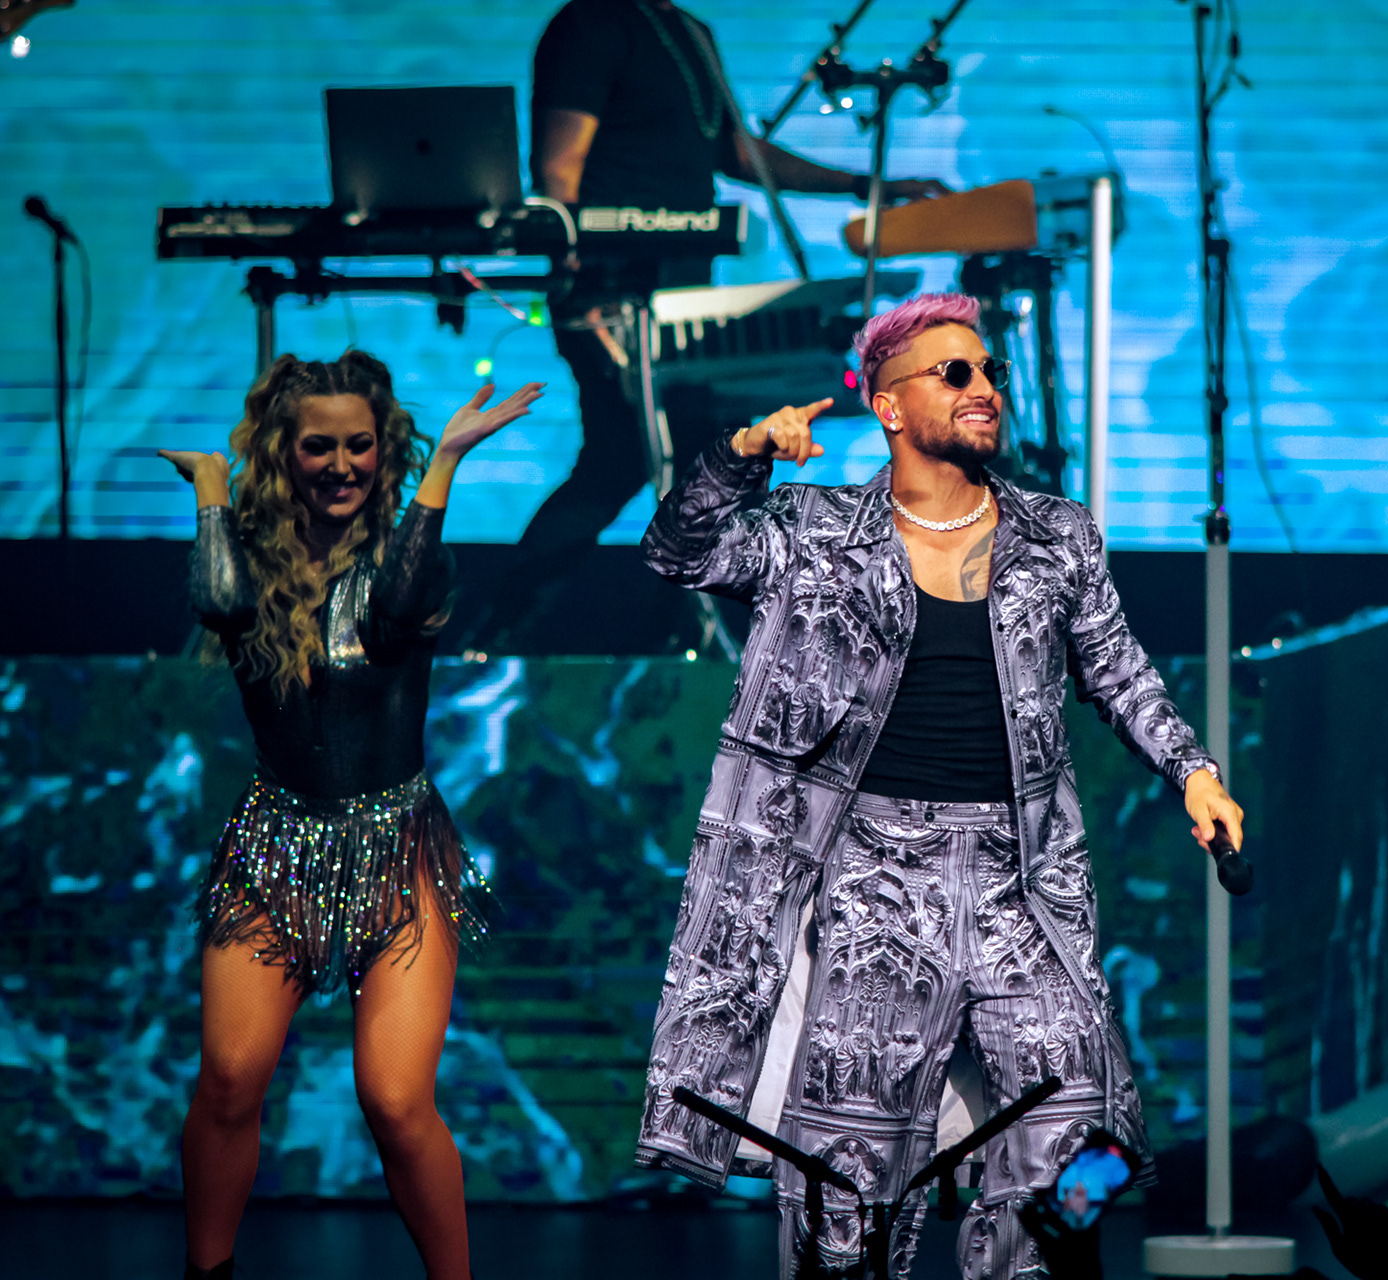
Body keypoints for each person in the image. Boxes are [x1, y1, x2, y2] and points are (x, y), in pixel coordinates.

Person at [633, 292, 1246, 1280]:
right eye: (954, 372)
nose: (983, 388)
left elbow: (1118, 668)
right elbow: (676, 551)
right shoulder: (814, 530)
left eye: (989, 370)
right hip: (875, 883)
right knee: (847, 1193)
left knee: (1086, 1140)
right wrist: (743, 452)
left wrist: (1195, 771)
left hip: (1023, 881)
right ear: (887, 404)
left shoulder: (1058, 535)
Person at [159, 353, 542, 1280]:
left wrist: (443, 464)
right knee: (229, 1081)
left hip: (398, 849)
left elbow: (402, 608)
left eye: (359, 446)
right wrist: (211, 488)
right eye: (319, 447)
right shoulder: (251, 558)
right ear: (284, 454)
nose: (341, 465)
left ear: (384, 449)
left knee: (396, 1102)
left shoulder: (410, 551)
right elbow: (219, 603)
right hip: (277, 845)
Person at [469, 0, 946, 650]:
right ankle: (511, 634)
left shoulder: (689, 31)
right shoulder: (590, 25)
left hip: (678, 293)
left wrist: (861, 185)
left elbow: (738, 152)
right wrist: (580, 280)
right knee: (629, 458)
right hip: (610, 290)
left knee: (686, 465)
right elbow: (559, 168)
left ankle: (672, 641)